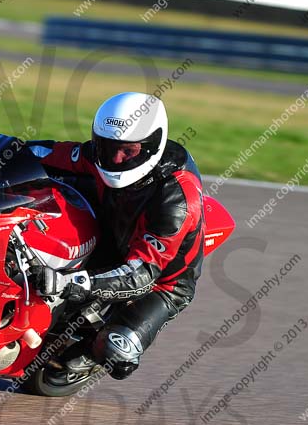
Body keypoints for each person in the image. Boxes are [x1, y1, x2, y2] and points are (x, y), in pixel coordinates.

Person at [28, 92, 205, 380]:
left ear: (150, 147)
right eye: (107, 147)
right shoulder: (102, 155)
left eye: (127, 152)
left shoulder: (175, 202)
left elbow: (142, 273)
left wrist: (73, 282)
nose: (114, 158)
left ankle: (89, 354)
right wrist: (0, 151)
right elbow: (50, 153)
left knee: (116, 350)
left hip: (160, 281)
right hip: (112, 234)